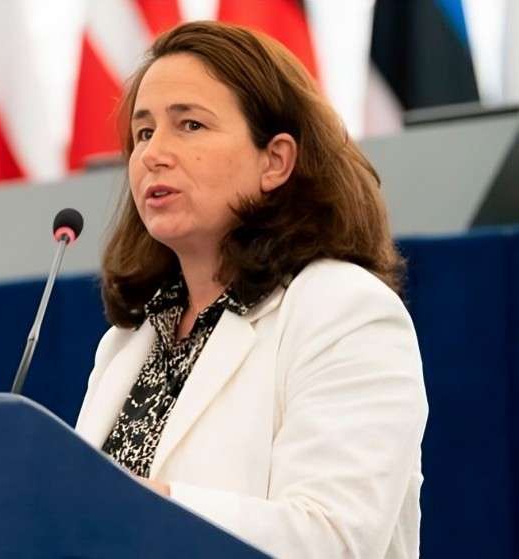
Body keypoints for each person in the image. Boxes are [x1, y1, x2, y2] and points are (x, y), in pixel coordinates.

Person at [74, 21, 428, 558]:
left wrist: (144, 506)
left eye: (190, 125)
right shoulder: (127, 342)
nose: (152, 154)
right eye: (143, 133)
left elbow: (334, 539)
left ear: (275, 160)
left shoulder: (344, 310)